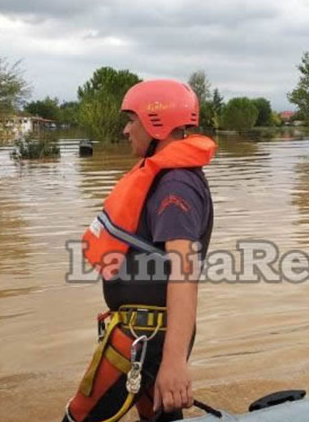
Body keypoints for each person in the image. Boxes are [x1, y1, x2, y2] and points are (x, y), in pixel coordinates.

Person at [63, 79, 217, 422]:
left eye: (132, 119)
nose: (125, 128)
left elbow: (184, 272)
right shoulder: (167, 177)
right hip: (148, 335)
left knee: (78, 418)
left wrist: (174, 363)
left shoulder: (175, 184)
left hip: (144, 337)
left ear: (155, 122)